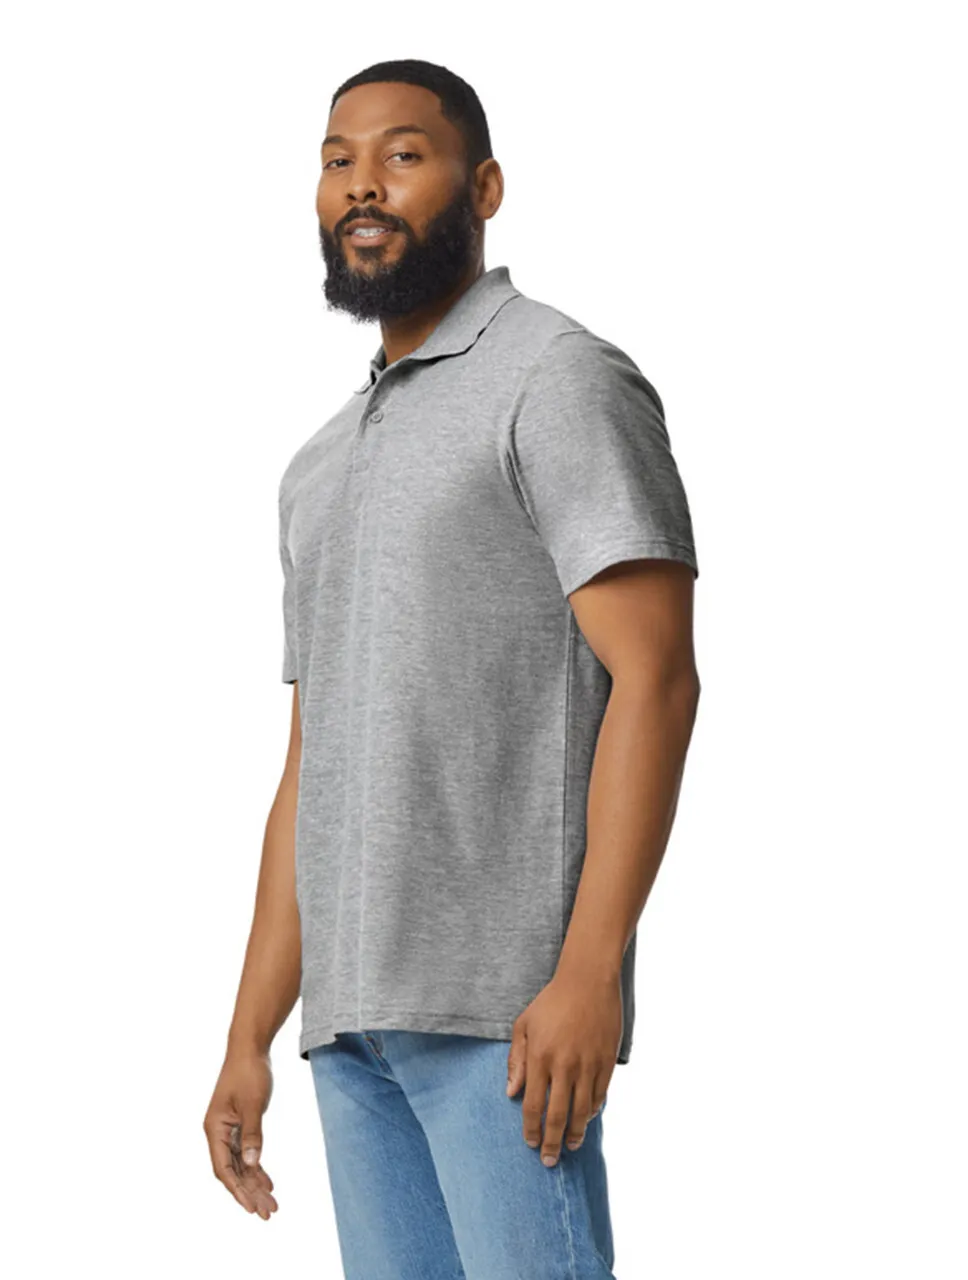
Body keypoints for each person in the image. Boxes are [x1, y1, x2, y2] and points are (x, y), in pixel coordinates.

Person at [204, 58, 701, 1280]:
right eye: (338, 160)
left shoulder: (556, 378)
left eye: (402, 154)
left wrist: (588, 970)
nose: (362, 184)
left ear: (482, 188)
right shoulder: (318, 464)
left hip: (505, 1018)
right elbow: (311, 765)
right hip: (351, 1034)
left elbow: (656, 679)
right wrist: (250, 1031)